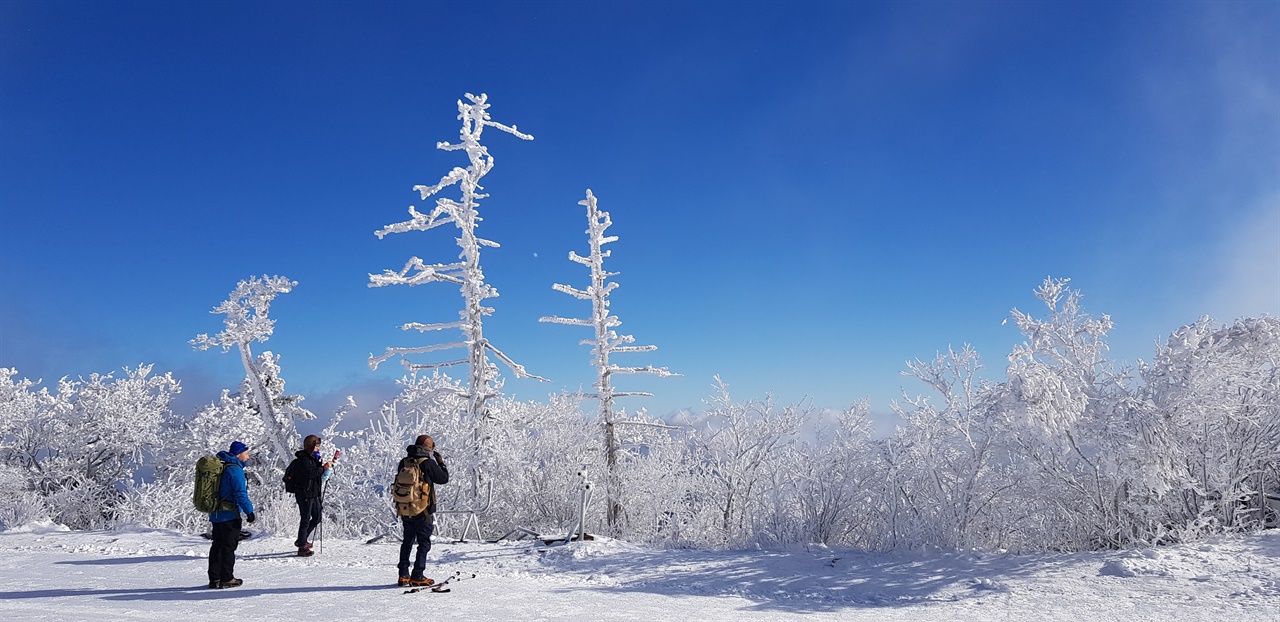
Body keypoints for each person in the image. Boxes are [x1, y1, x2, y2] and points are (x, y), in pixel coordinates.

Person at [396, 434, 449, 587]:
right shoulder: (427, 463)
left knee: (407, 541)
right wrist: (441, 463)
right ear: (429, 448)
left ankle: (403, 575)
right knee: (424, 542)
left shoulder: (404, 462)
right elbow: (443, 479)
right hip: (423, 509)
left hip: (406, 507)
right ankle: (417, 575)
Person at [209, 441, 255, 589]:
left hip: (216, 514)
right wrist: (249, 511)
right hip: (230, 515)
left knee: (217, 545)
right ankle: (227, 578)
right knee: (228, 547)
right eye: (246, 453)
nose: (248, 456)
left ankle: (214, 578)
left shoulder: (221, 466)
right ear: (238, 454)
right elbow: (240, 494)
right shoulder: (235, 470)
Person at [287, 434, 333, 556]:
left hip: (313, 493)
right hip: (305, 494)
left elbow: (315, 474)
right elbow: (311, 474)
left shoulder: (312, 459)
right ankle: (302, 547)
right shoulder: (304, 460)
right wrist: (323, 468)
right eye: (316, 446)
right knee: (305, 520)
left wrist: (323, 467)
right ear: (310, 446)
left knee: (317, 517)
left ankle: (302, 540)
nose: (318, 448)